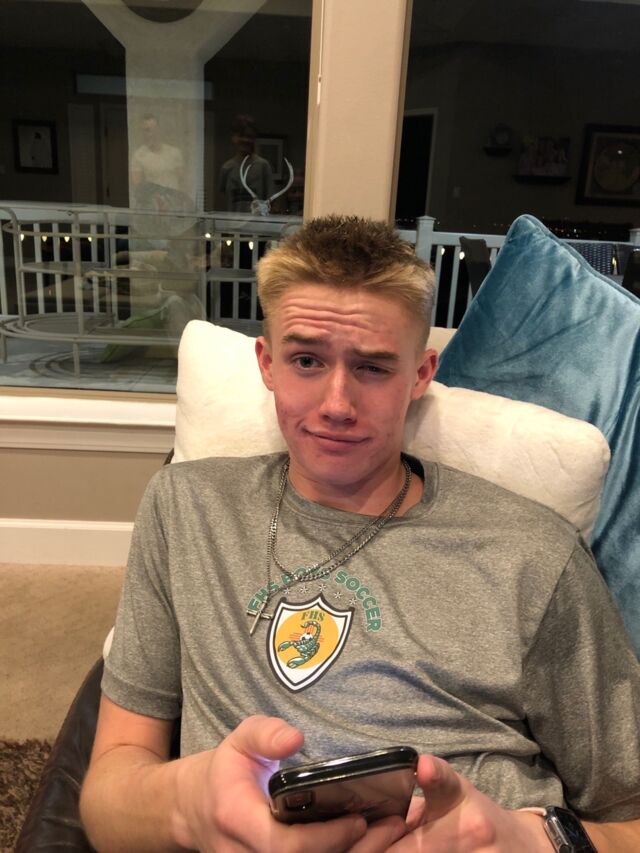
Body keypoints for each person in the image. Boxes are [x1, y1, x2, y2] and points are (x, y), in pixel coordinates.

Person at [80, 215, 640, 851]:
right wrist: (189, 806)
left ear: (420, 375)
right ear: (267, 363)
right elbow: (109, 790)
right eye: (307, 360)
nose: (337, 404)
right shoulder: (186, 508)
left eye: (373, 368)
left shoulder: (534, 554)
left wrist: (532, 839)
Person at [218, 114, 275, 213]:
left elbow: (271, 201)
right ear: (233, 138)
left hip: (257, 222)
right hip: (232, 221)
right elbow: (222, 199)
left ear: (254, 139)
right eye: (241, 136)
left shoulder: (263, 166)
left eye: (249, 136)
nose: (245, 140)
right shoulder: (226, 168)